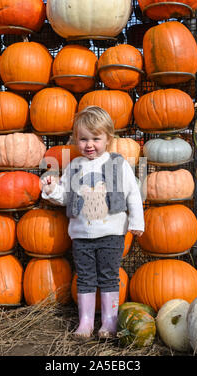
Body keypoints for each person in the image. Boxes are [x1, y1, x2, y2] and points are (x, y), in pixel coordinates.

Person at [41, 105, 144, 339]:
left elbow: (133, 194)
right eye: (83, 139)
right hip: (81, 235)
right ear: (76, 139)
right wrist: (51, 189)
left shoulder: (118, 164)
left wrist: (137, 222)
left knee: (109, 276)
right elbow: (65, 196)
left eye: (96, 139)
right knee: (85, 276)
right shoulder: (75, 166)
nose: (89, 145)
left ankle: (109, 321)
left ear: (108, 138)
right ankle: (86, 322)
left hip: (112, 233)